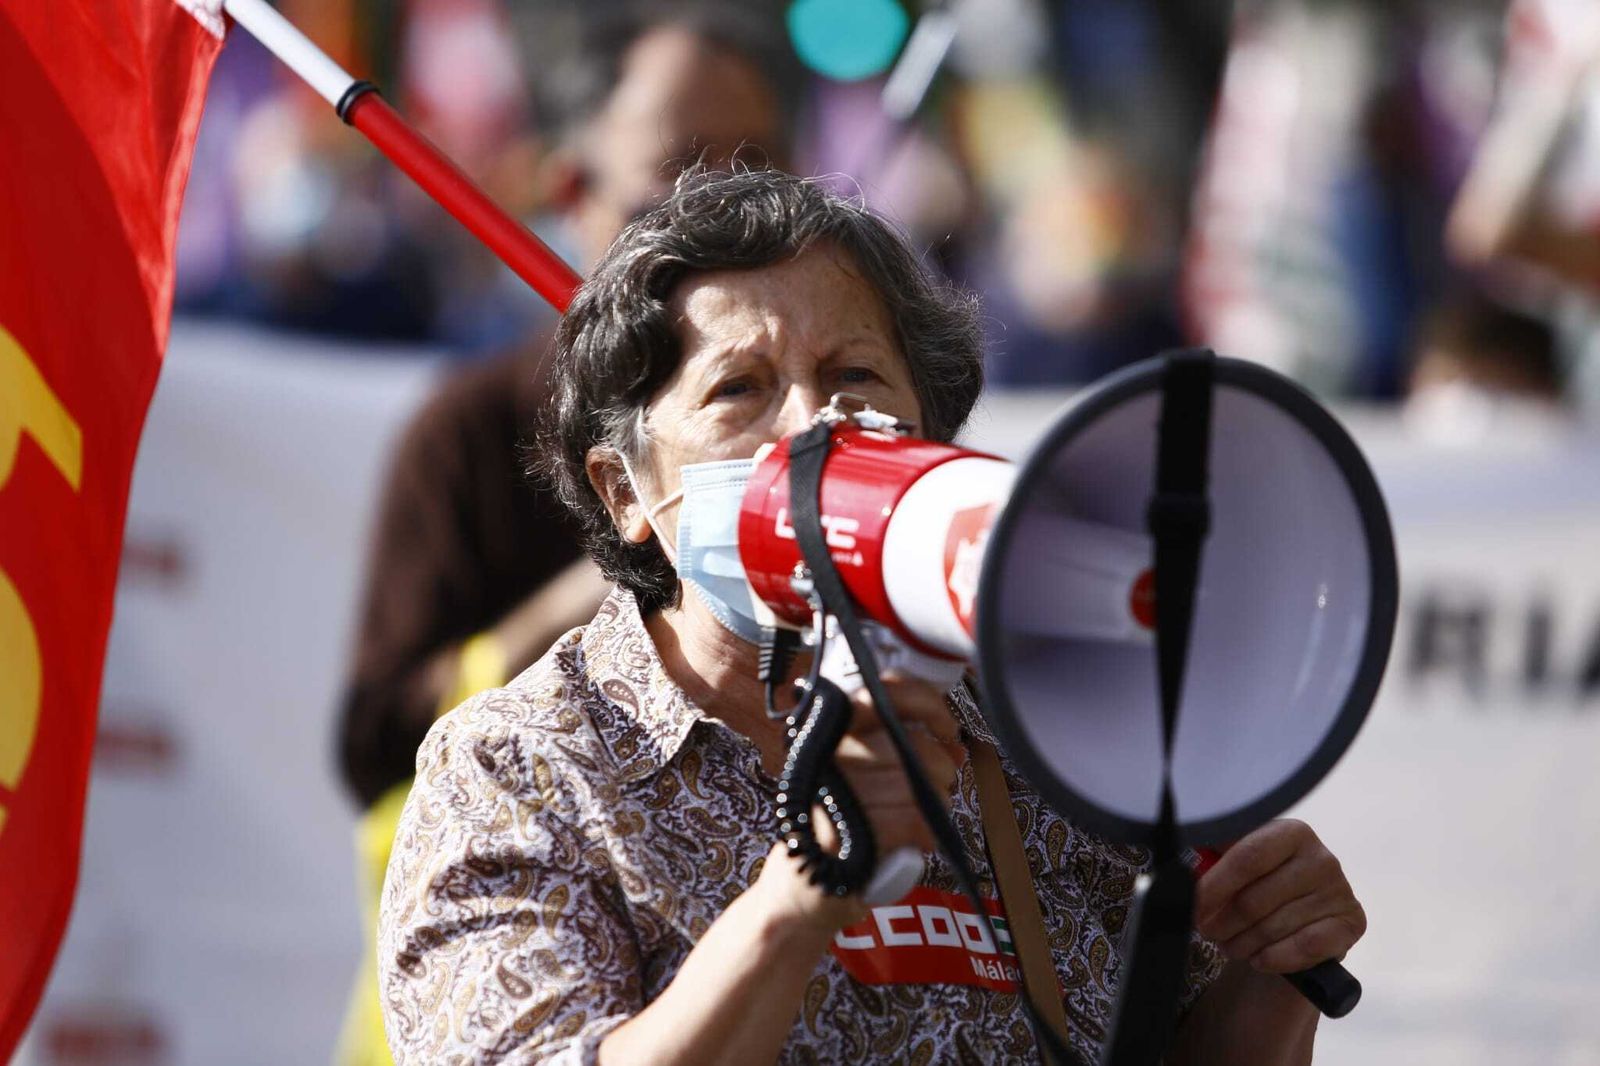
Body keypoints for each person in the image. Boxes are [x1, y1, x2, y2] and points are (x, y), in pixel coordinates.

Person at [378, 168, 1367, 1065]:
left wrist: (1272, 967)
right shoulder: (525, 769)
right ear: (623, 489)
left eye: (854, 376)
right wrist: (793, 907)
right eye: (739, 388)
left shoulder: (1049, 741)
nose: (817, 423)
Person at [335, 7, 801, 1063]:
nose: (717, 218)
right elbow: (371, 742)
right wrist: (611, 589)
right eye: (675, 175)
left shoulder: (817, 438)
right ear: (573, 190)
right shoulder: (471, 430)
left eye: (757, 172)